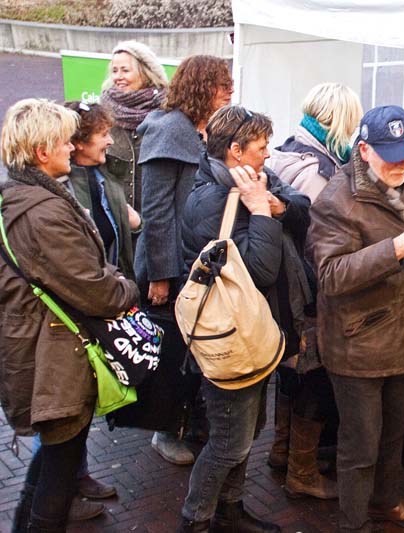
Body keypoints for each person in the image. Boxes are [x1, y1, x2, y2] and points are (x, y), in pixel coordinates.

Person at [0, 98, 138, 532]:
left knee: (51, 463)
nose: (69, 148)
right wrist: (127, 286)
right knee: (57, 475)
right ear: (42, 152)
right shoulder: (43, 212)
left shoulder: (27, 199)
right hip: (54, 354)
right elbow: (93, 288)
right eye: (63, 141)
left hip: (46, 345)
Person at [309, 105, 404, 532]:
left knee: (395, 435)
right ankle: (352, 522)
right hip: (357, 345)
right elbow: (330, 275)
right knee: (360, 446)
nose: (402, 163)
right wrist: (397, 249)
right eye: (392, 154)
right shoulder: (337, 199)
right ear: (364, 150)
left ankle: (385, 503)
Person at [179, 104, 310, 532]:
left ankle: (230, 512)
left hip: (256, 333)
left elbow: (301, 205)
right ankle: (195, 520)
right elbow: (259, 270)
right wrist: (258, 210)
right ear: (235, 150)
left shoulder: (253, 181)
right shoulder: (212, 201)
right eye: (261, 146)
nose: (268, 154)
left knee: (248, 433)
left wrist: (273, 204)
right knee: (227, 443)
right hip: (229, 338)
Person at [266, 82, 363, 499]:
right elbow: (329, 238)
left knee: (291, 373)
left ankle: (282, 449)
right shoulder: (318, 173)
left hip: (285, 289)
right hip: (310, 292)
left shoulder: (285, 150)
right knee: (313, 378)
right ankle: (302, 471)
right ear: (339, 123)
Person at [135, 55, 233, 465]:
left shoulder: (191, 129)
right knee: (171, 352)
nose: (229, 91)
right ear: (202, 87)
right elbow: (156, 210)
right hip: (168, 267)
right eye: (222, 86)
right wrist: (161, 275)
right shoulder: (169, 131)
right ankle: (164, 430)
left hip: (187, 261)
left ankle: (185, 423)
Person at [65, 101, 140, 279]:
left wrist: (136, 226)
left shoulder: (109, 177)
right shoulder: (63, 187)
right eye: (104, 134)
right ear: (79, 143)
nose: (111, 141)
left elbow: (118, 246)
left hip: (116, 290)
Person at [100, 40, 169, 214]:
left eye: (125, 70)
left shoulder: (166, 111)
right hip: (116, 217)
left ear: (145, 73)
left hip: (155, 215)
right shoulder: (104, 113)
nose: (118, 77)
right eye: (115, 71)